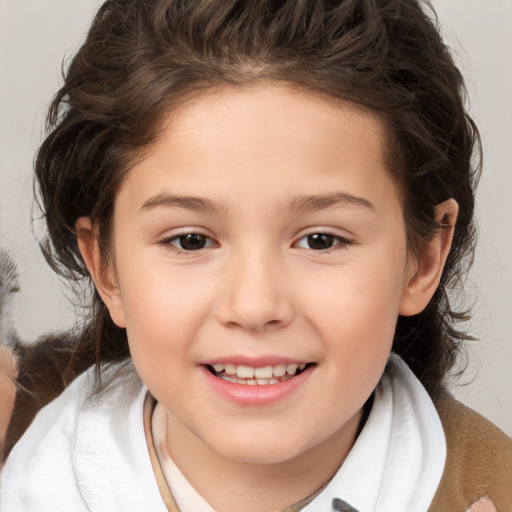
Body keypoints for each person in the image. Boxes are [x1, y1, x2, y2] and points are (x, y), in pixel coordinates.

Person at [1, 0, 511, 510]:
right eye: (190, 240)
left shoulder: (493, 485)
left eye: (321, 240)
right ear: (106, 268)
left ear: (421, 259)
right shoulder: (27, 466)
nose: (254, 305)